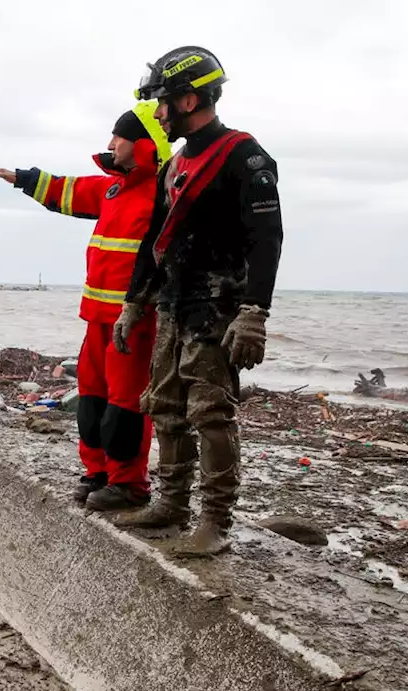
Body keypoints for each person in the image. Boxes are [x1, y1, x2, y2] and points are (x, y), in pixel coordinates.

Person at [112, 46, 284, 556]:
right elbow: (154, 240)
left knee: (211, 411)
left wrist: (255, 312)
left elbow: (267, 237)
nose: (158, 113)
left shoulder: (243, 156)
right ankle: (172, 503)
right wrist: (134, 302)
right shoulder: (175, 165)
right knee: (165, 404)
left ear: (189, 99)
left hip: (220, 305)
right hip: (174, 301)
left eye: (164, 102)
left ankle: (215, 520)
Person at [0, 102, 172, 511]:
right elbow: (64, 190)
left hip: (134, 320)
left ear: (139, 144)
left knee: (125, 404)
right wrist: (19, 178)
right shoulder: (112, 189)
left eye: (117, 137)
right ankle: (98, 472)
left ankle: (129, 484)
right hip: (96, 320)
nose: (110, 144)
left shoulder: (162, 193)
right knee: (92, 400)